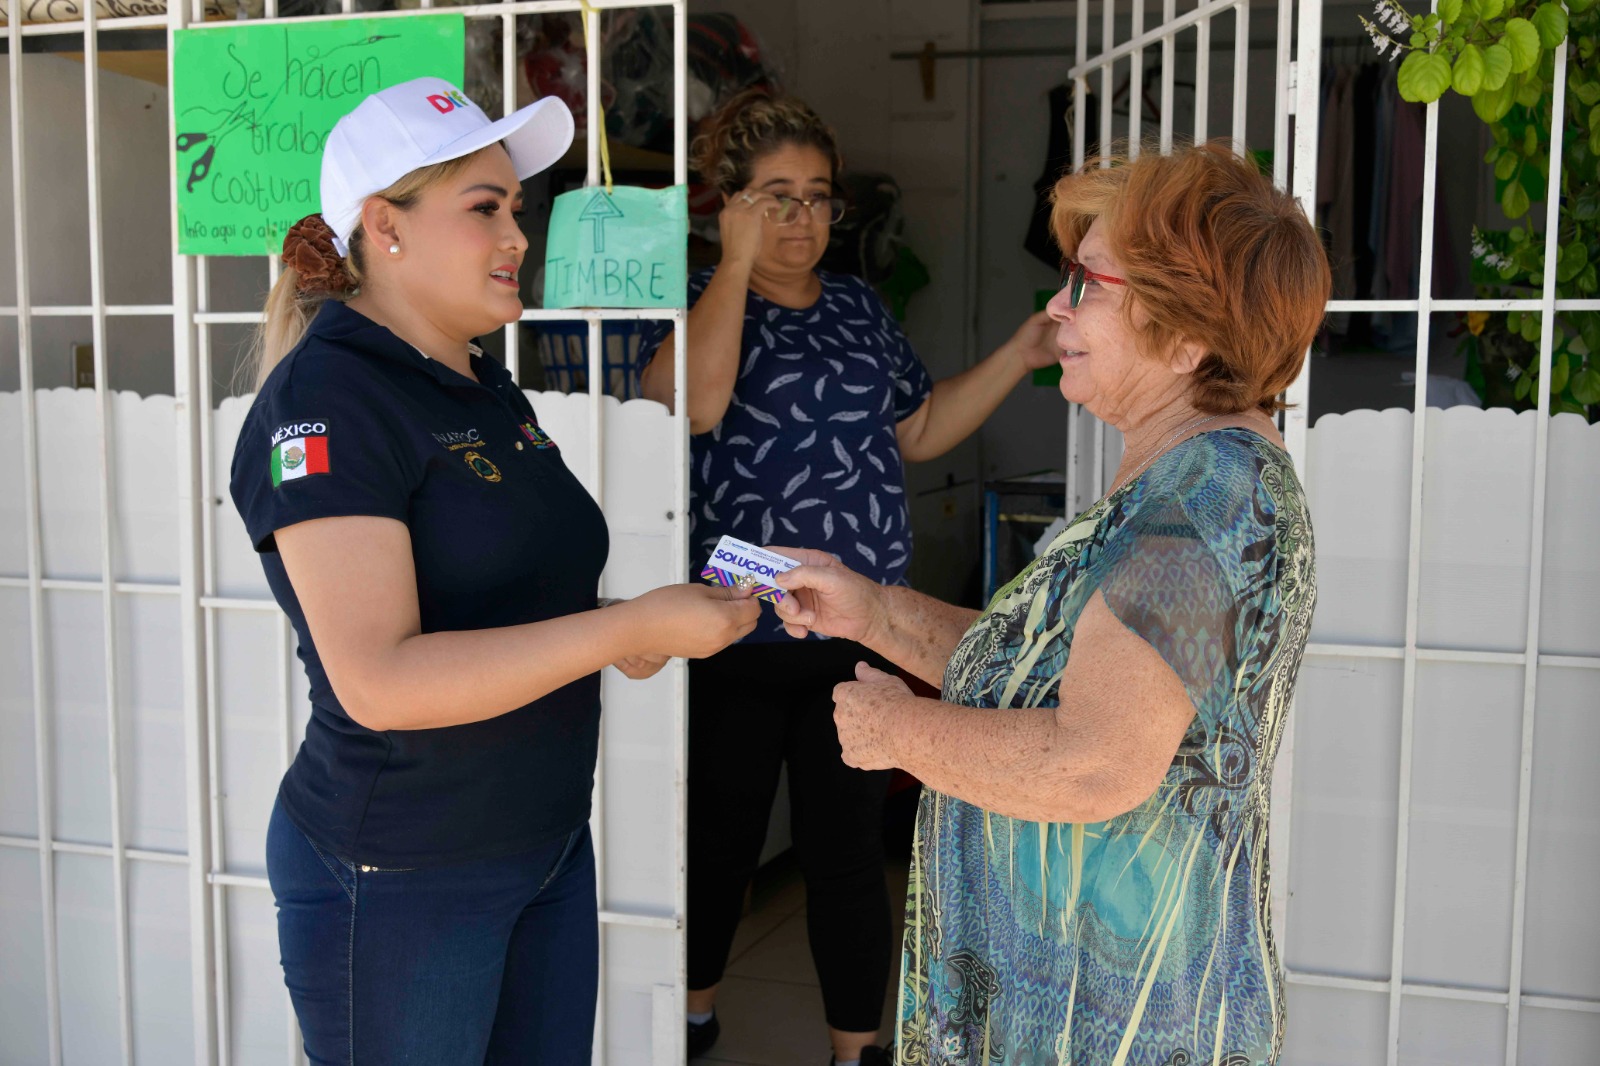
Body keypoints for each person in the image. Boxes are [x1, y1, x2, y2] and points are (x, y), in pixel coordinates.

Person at [229, 77, 760, 1066]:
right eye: (485, 208)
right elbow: (380, 679)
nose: (518, 235)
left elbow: (502, 594)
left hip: (542, 843)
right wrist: (621, 629)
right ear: (385, 226)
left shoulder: (477, 379)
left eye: (516, 207)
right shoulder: (330, 399)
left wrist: (626, 625)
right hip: (405, 871)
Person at [769, 142, 1330, 1065]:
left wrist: (898, 733)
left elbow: (1097, 763)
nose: (1058, 307)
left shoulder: (1201, 506)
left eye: (1089, 283)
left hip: (1107, 1020)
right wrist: (872, 613)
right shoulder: (1192, 483)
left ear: (1187, 337)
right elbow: (1048, 669)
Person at [635, 90, 1060, 1066]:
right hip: (734, 632)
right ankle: (691, 1022)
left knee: (846, 857)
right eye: (775, 197)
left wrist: (1018, 353)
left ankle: (855, 1050)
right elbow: (691, 409)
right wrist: (732, 263)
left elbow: (919, 428)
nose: (803, 217)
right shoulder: (698, 301)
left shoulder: (859, 307)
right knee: (719, 843)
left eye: (818, 195)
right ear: (730, 205)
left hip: (856, 633)